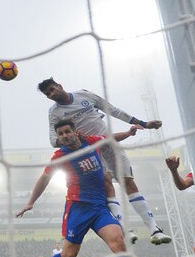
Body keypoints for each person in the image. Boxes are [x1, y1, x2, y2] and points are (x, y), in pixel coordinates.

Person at [16, 120, 160, 257]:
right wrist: (30, 202)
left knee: (119, 243)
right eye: (61, 134)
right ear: (59, 138)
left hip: (100, 208)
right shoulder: (61, 155)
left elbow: (110, 139)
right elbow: (44, 177)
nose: (65, 135)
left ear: (75, 132)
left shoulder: (91, 142)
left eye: (67, 131)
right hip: (78, 208)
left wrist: (128, 132)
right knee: (69, 254)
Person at [38, 78, 172, 246]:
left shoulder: (84, 95)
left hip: (111, 145)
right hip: (93, 151)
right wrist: (74, 137)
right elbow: (53, 140)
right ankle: (123, 229)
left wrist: (144, 123)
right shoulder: (55, 113)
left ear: (59, 86)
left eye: (52, 89)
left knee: (129, 183)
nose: (51, 94)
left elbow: (113, 110)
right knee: (108, 186)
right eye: (47, 94)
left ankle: (154, 230)